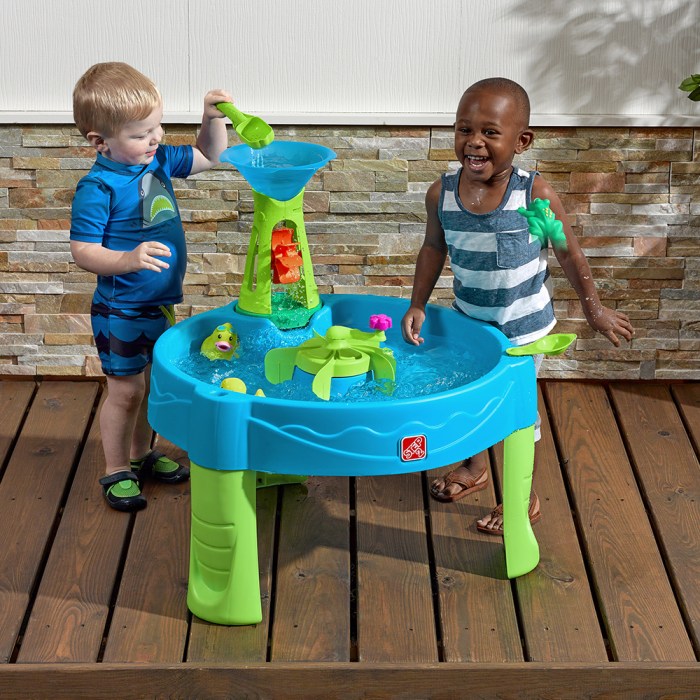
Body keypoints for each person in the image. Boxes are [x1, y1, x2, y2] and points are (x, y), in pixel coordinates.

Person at [401, 77, 634, 534]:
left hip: (523, 332)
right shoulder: (441, 194)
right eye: (465, 130)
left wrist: (594, 309)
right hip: (471, 324)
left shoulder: (532, 195)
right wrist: (418, 304)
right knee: (471, 397)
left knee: (516, 415)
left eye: (490, 132)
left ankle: (522, 496)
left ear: (521, 141)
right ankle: (475, 469)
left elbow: (567, 251)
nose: (474, 142)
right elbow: (433, 248)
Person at [70, 62, 233, 512]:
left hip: (158, 305)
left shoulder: (156, 159)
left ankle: (142, 454)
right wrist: (127, 259)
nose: (156, 138)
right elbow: (83, 250)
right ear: (100, 142)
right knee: (124, 391)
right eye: (141, 133)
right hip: (120, 309)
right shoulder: (98, 187)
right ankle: (116, 468)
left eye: (157, 126)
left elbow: (208, 156)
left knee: (149, 386)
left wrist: (211, 119)